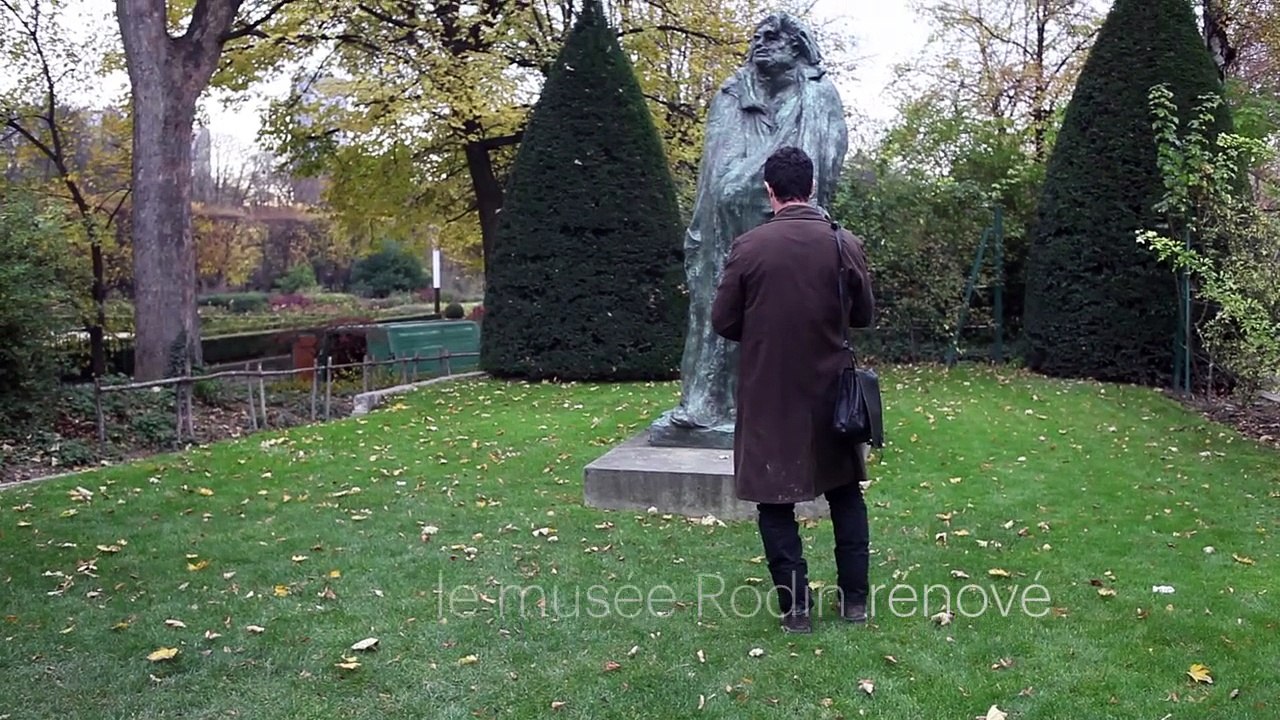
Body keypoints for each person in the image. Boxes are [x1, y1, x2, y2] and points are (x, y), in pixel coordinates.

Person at [652, 11, 849, 446]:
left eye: (772, 39)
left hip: (787, 235)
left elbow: (820, 168)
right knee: (716, 310)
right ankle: (707, 406)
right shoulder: (732, 93)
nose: (760, 44)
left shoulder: (819, 97)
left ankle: (782, 409)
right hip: (725, 233)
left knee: (782, 321)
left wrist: (754, 190)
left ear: (796, 47)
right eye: (756, 38)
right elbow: (715, 171)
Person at [711, 146, 875, 634]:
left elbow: (723, 321)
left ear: (769, 190)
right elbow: (863, 316)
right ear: (812, 187)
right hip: (833, 395)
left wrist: (765, 331)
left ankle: (796, 611)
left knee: (774, 503)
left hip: (770, 393)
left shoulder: (749, 247)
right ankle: (855, 603)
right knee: (845, 495)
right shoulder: (844, 243)